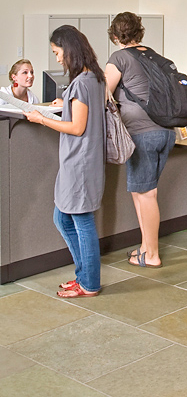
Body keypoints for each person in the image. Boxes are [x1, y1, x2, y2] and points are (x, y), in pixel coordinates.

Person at [24, 26, 106, 296]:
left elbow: (77, 128)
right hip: (82, 161)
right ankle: (83, 275)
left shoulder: (82, 83)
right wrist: (66, 102)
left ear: (69, 50)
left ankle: (89, 283)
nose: (57, 59)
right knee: (62, 217)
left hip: (80, 163)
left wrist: (42, 119)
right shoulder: (93, 78)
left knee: (82, 222)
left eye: (57, 53)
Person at [106, 12, 176, 269]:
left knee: (146, 193)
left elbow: (103, 93)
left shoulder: (119, 58)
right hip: (166, 132)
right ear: (140, 32)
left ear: (115, 36)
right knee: (141, 191)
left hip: (141, 134)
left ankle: (152, 255)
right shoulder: (156, 57)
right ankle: (145, 248)